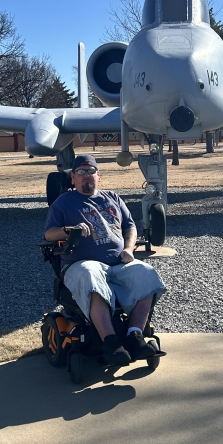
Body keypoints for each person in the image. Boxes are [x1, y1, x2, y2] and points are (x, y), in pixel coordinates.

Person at [44, 154, 166, 366]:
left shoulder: (113, 198)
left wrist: (129, 249)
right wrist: (68, 230)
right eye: (81, 172)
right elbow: (49, 235)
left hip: (118, 263)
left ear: (98, 175)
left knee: (147, 275)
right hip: (81, 264)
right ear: (73, 178)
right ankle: (111, 343)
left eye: (90, 171)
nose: (86, 176)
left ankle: (134, 336)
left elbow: (130, 227)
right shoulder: (63, 203)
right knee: (91, 276)